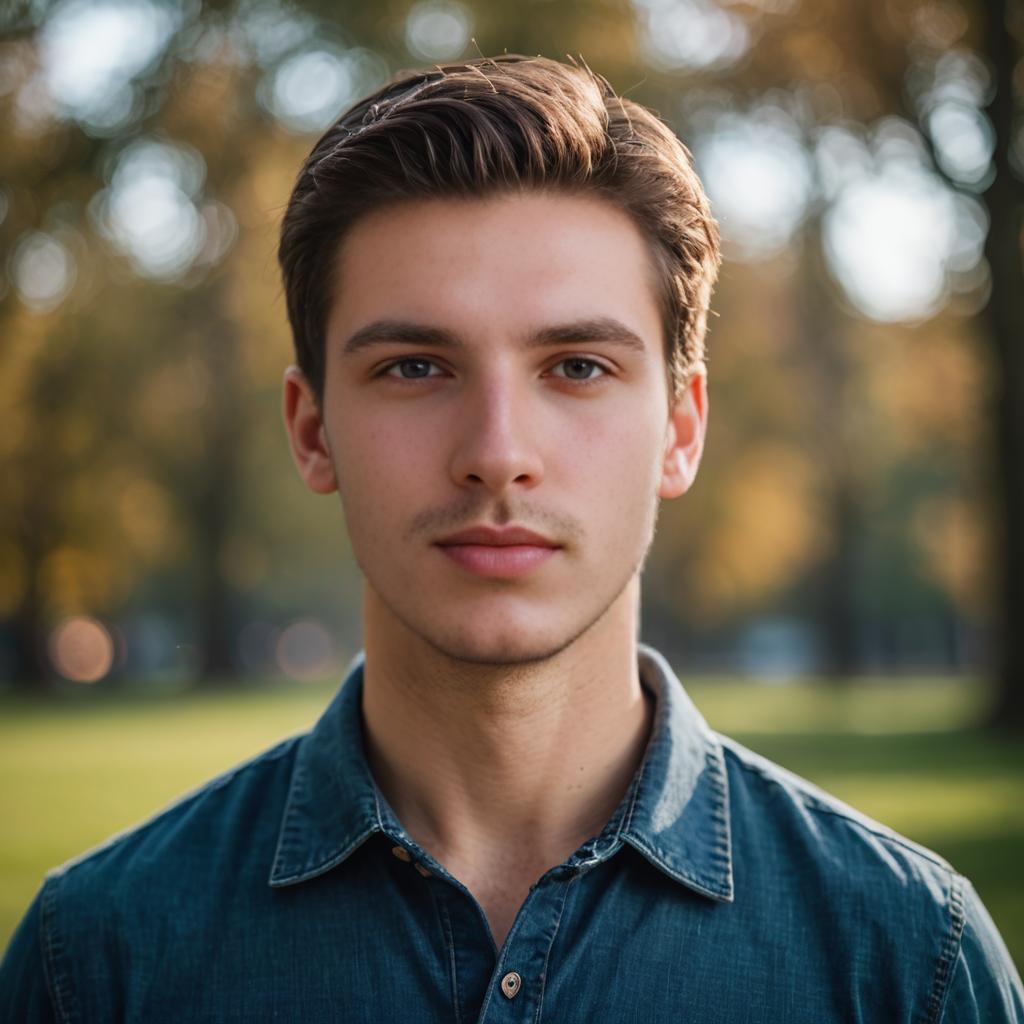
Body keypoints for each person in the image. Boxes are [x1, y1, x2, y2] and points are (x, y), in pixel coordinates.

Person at [2, 53, 1021, 1023]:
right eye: (414, 367)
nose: (497, 454)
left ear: (680, 428)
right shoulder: (94, 963)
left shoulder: (907, 961)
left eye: (576, 366)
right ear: (314, 431)